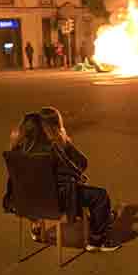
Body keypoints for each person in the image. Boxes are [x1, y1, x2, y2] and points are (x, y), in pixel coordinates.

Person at [39, 106, 121, 252]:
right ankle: (97, 240)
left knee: (81, 191)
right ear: (57, 125)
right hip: (61, 198)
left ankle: (36, 227)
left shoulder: (27, 147)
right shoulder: (58, 145)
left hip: (35, 200)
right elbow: (82, 163)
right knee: (100, 196)